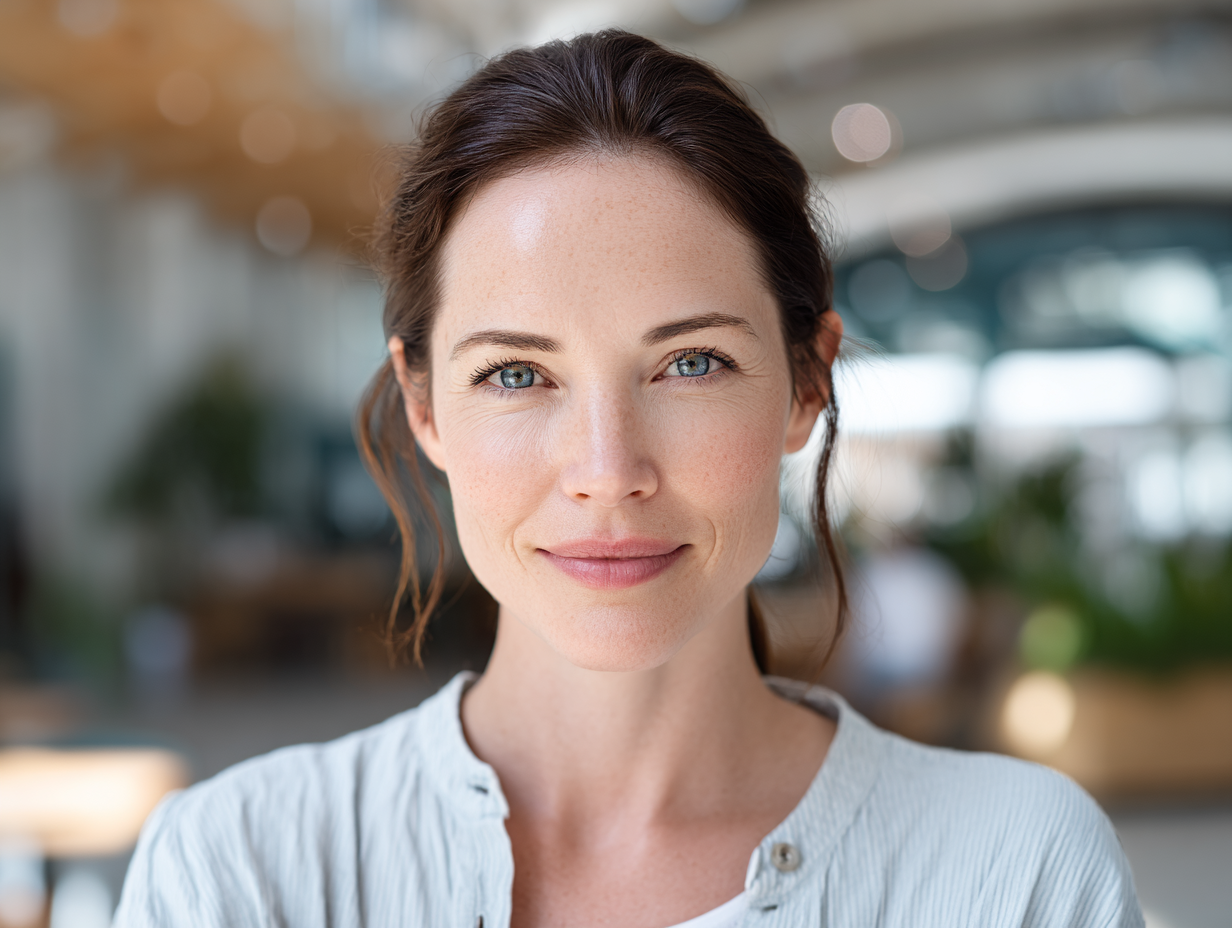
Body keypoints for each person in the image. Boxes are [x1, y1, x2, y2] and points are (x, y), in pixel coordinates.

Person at [114, 31, 1143, 928]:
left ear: (805, 380)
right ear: (423, 405)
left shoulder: (1015, 876)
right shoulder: (237, 875)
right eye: (516, 373)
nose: (607, 473)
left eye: (689, 363)